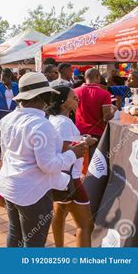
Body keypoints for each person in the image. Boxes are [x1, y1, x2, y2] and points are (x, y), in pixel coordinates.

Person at [0, 72, 95, 247]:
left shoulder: (8, 119)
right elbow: (48, 165)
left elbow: (6, 153)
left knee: (15, 233)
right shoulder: (41, 124)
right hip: (33, 194)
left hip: (10, 186)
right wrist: (73, 154)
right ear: (43, 96)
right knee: (33, 243)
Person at [47, 86, 95, 247]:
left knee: (59, 216)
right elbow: (64, 149)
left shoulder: (54, 120)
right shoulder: (64, 123)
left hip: (58, 178)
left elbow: (61, 144)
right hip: (71, 179)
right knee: (85, 225)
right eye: (73, 98)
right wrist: (85, 143)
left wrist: (80, 139)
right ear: (62, 102)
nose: (77, 100)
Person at [75, 68, 114, 159]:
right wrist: (113, 110)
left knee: (80, 165)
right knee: (96, 165)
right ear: (97, 77)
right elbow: (106, 117)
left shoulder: (74, 92)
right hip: (97, 134)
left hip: (78, 133)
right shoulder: (105, 94)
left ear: (85, 77)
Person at [0, 68, 19, 162]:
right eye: (1, 78)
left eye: (4, 79)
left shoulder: (16, 86)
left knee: (12, 133)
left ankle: (10, 153)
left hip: (13, 113)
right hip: (0, 112)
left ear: (10, 77)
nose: (3, 81)